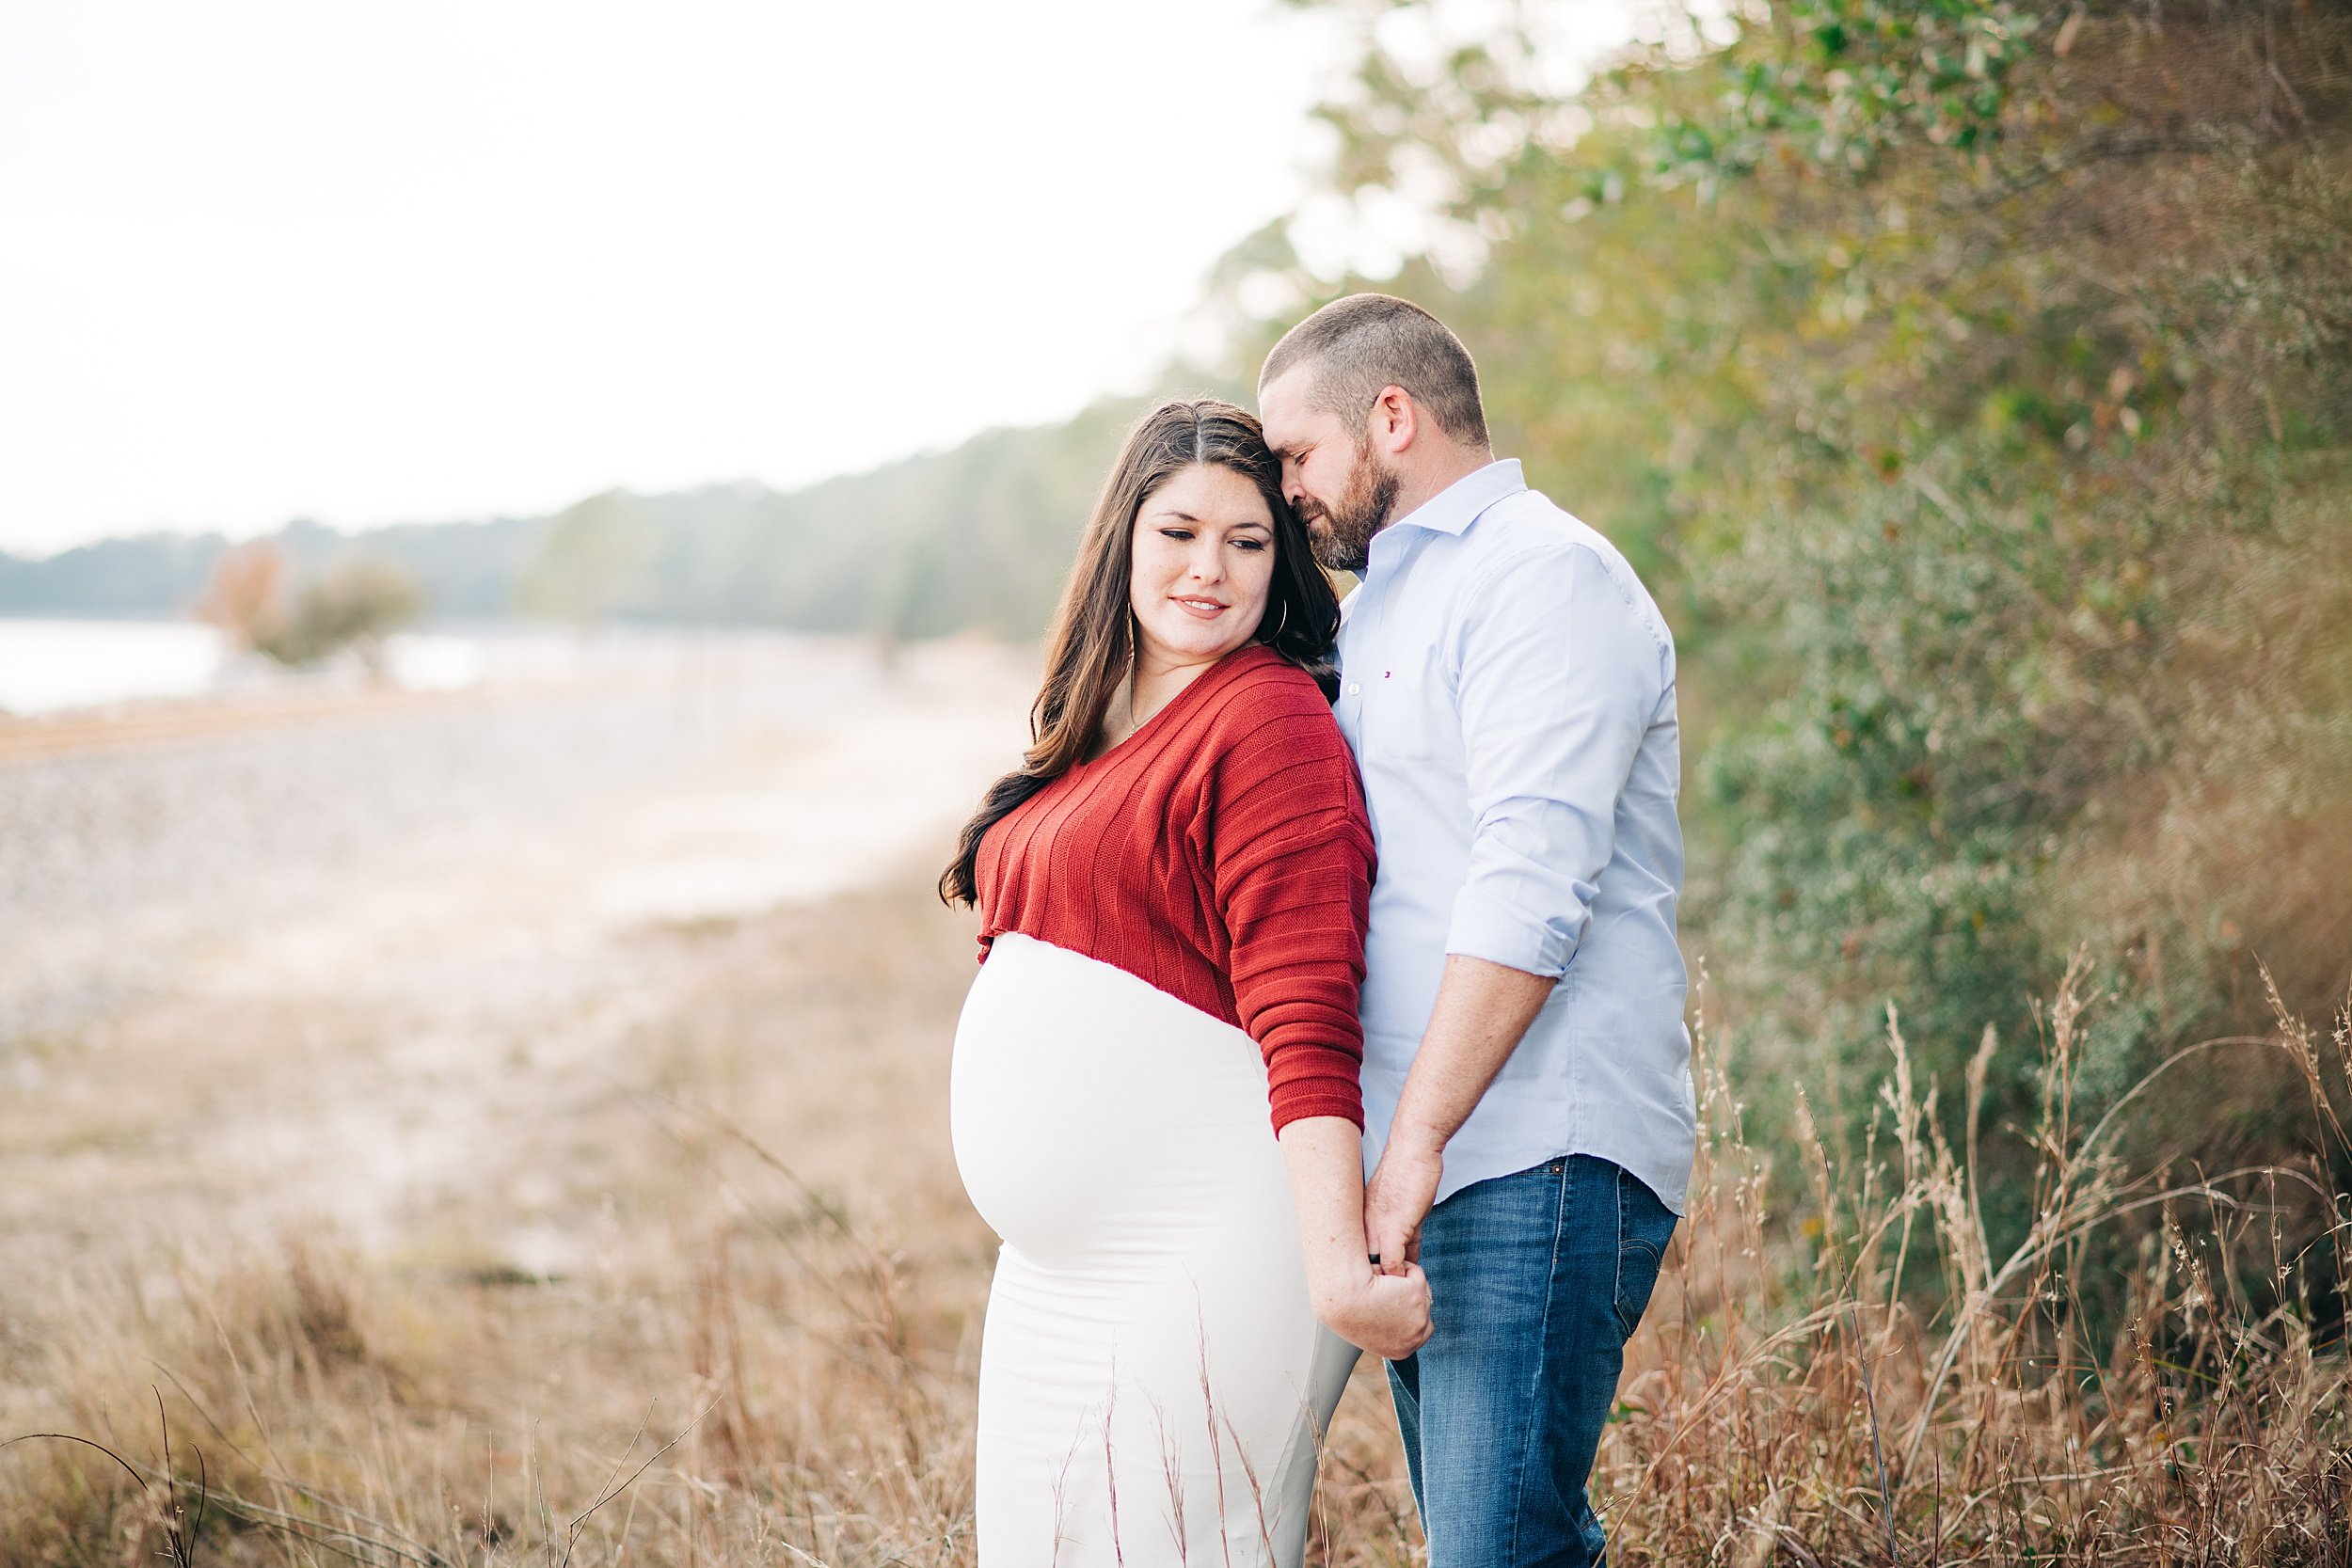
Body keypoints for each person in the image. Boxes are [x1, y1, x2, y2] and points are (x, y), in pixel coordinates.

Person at [941, 398, 1434, 1568]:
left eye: (1248, 541)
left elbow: (1308, 1009)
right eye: (1178, 531)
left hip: (1206, 1242)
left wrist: (1335, 1262)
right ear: (1122, 535)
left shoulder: (1265, 719)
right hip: (1054, 1270)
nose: (1208, 568)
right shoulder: (1095, 727)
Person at [1258, 295, 1697, 1567]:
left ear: (1390, 416)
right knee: (1495, 1540)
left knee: (1500, 1549)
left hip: (1530, 1147)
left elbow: (1531, 878)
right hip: (1433, 1149)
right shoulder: (1385, 603)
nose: (1284, 488)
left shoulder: (1543, 574)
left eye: (1296, 453)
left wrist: (1419, 1141)